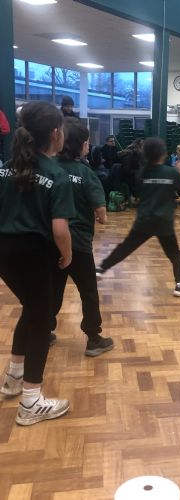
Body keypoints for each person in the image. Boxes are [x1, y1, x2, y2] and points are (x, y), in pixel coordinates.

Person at [0, 101, 74, 426]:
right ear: (56, 133)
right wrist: (67, 255)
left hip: (4, 252)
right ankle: (31, 402)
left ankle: (14, 377)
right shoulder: (57, 175)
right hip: (32, 253)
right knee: (42, 320)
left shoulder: (5, 168)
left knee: (31, 309)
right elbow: (60, 229)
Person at [95, 137, 180, 297]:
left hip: (144, 220)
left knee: (125, 248)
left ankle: (101, 269)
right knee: (175, 254)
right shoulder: (171, 172)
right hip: (163, 222)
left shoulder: (142, 173)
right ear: (162, 154)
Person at [51, 118, 114, 357]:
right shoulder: (86, 173)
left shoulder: (47, 167)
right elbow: (102, 215)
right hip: (77, 243)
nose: (89, 145)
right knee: (88, 292)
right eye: (87, 142)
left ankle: (44, 330)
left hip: (49, 243)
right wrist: (99, 215)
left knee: (52, 289)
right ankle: (94, 339)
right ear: (80, 145)